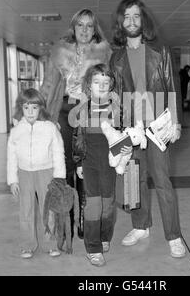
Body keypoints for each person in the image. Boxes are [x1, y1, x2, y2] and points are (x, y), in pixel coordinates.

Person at [109, 0, 186, 258]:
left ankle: (174, 235)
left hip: (157, 125)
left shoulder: (159, 51)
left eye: (136, 16)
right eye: (126, 17)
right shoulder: (116, 57)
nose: (131, 21)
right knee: (133, 179)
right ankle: (140, 226)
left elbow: (172, 86)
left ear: (143, 20)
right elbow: (115, 97)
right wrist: (118, 130)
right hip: (131, 127)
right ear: (121, 22)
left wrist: (175, 121)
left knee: (162, 181)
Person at [40, 9, 112, 241]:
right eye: (80, 25)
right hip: (62, 111)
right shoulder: (60, 52)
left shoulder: (104, 53)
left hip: (90, 114)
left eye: (89, 25)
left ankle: (85, 219)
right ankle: (64, 224)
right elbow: (48, 85)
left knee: (87, 168)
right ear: (73, 27)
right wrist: (34, 114)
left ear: (95, 29)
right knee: (65, 168)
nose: (84, 30)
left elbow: (112, 86)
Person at [69, 63, 132, 267]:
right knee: (93, 205)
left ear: (111, 86)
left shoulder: (117, 109)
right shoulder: (82, 109)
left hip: (109, 163)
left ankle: (104, 236)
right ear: (89, 85)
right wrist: (78, 162)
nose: (102, 86)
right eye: (97, 82)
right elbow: (77, 136)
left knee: (108, 204)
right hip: (89, 161)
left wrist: (125, 150)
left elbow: (125, 135)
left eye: (106, 82)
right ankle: (92, 247)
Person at [7, 88, 66, 259]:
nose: (30, 112)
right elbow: (11, 156)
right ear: (21, 108)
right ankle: (27, 245)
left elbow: (58, 152)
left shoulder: (49, 128)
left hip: (45, 172)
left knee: (48, 210)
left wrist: (59, 177)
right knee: (25, 210)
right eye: (26, 108)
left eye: (34, 107)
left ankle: (51, 244)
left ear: (41, 108)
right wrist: (13, 180)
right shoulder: (17, 131)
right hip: (24, 173)